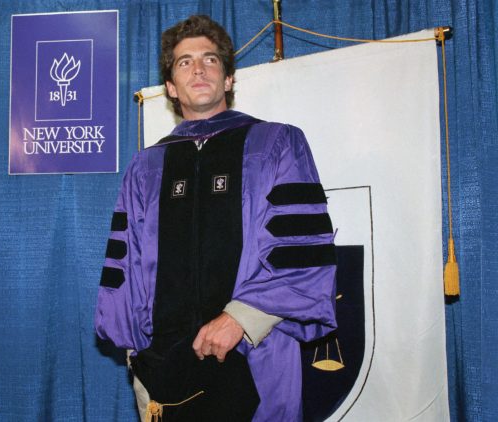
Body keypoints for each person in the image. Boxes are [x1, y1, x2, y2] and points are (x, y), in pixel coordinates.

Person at [95, 15, 337, 422]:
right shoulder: (146, 167)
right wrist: (139, 358)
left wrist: (241, 319)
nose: (199, 68)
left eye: (210, 59)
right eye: (184, 62)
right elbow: (128, 267)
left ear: (228, 79)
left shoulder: (277, 144)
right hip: (166, 367)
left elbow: (301, 251)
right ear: (171, 87)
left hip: (255, 350)